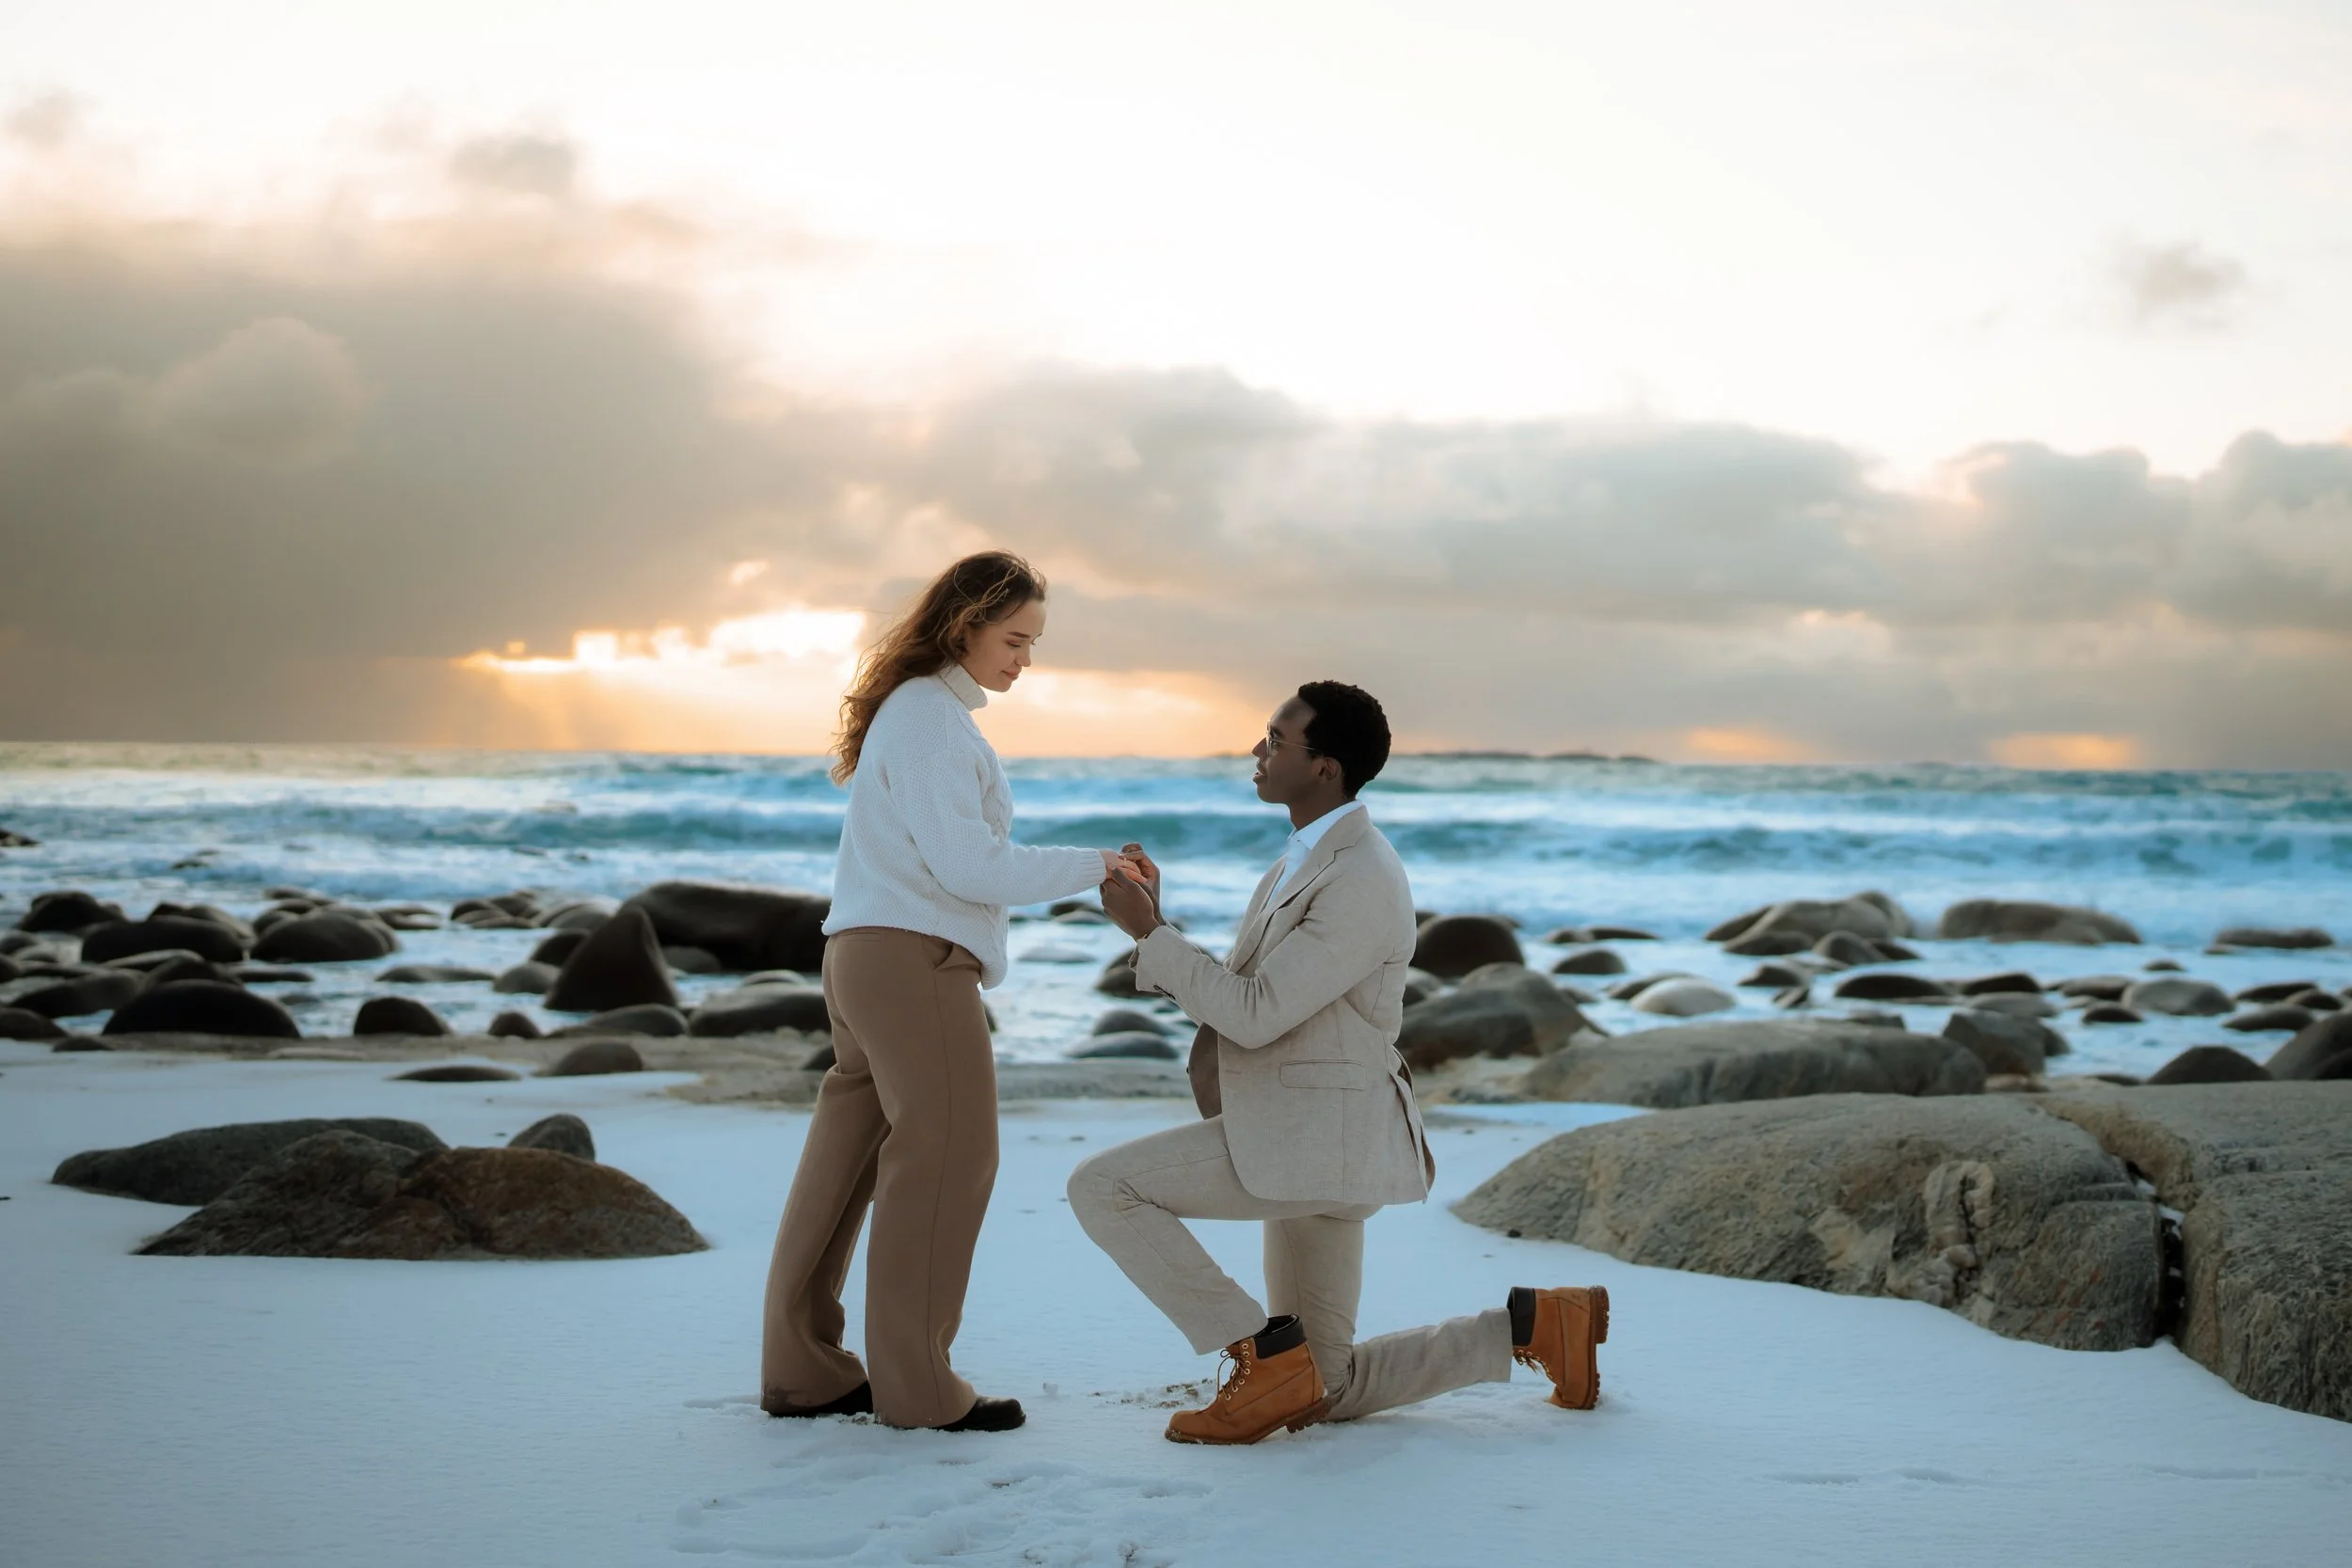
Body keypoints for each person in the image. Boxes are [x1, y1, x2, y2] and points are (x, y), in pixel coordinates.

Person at [1072, 680, 1610, 1444]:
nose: (1258, 750)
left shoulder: (1360, 875)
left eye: (1276, 739)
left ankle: (1262, 1358)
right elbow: (1258, 995)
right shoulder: (1308, 856)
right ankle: (1536, 1324)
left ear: (1325, 766)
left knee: (1104, 1188)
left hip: (1314, 1136)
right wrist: (1156, 923)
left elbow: (1253, 1014)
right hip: (1304, 1130)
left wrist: (1148, 938)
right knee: (1325, 1387)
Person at [761, 550, 1141, 1433]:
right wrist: (1101, 865)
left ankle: (804, 1367)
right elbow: (968, 864)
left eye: (1034, 642)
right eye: (1015, 639)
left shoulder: (917, 713)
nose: (1024, 660)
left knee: (847, 1163)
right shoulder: (931, 719)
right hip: (911, 962)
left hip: (862, 954)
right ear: (964, 624)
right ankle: (919, 1390)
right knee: (948, 1160)